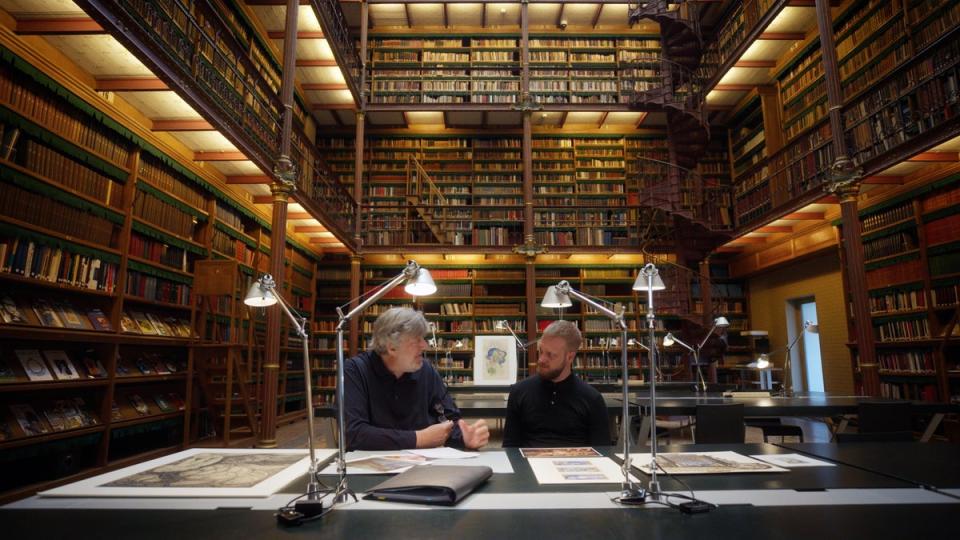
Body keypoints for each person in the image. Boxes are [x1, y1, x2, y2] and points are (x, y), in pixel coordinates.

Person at [344, 307, 489, 451]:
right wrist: (419, 438)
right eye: (416, 340)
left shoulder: (426, 370)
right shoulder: (355, 371)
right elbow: (355, 434)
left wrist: (464, 437)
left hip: (422, 468)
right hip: (368, 469)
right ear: (392, 348)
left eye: (423, 339)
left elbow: (448, 419)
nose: (425, 346)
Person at [502, 320, 611, 447]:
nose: (541, 359)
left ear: (570, 357)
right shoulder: (519, 392)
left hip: (576, 464)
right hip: (529, 464)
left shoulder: (592, 399)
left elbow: (602, 452)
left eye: (550, 355)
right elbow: (510, 447)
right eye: (541, 351)